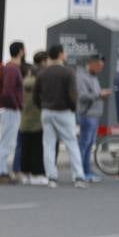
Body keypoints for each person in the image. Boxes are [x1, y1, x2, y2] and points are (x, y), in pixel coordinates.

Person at [35, 44, 86, 188]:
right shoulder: (68, 73)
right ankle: (78, 177)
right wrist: (73, 108)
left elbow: (36, 96)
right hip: (64, 112)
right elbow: (72, 95)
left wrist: (43, 106)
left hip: (46, 111)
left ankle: (51, 177)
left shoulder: (43, 73)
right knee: (71, 143)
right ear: (60, 55)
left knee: (49, 145)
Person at [0, 41, 25, 184]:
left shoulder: (9, 68)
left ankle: (3, 171)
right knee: (7, 142)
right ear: (21, 51)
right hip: (10, 109)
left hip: (7, 108)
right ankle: (1, 172)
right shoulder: (12, 69)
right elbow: (8, 91)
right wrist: (17, 105)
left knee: (7, 142)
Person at [75, 54, 110, 182]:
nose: (101, 68)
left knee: (89, 144)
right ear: (92, 63)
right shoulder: (81, 76)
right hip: (87, 114)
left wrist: (100, 94)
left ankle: (87, 170)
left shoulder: (93, 76)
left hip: (94, 114)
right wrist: (100, 94)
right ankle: (80, 172)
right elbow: (83, 96)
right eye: (99, 65)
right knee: (84, 144)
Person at [17, 51, 47, 185]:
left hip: (24, 120)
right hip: (37, 120)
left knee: (25, 149)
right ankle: (37, 174)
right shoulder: (40, 84)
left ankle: (25, 173)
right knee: (37, 148)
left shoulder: (24, 83)